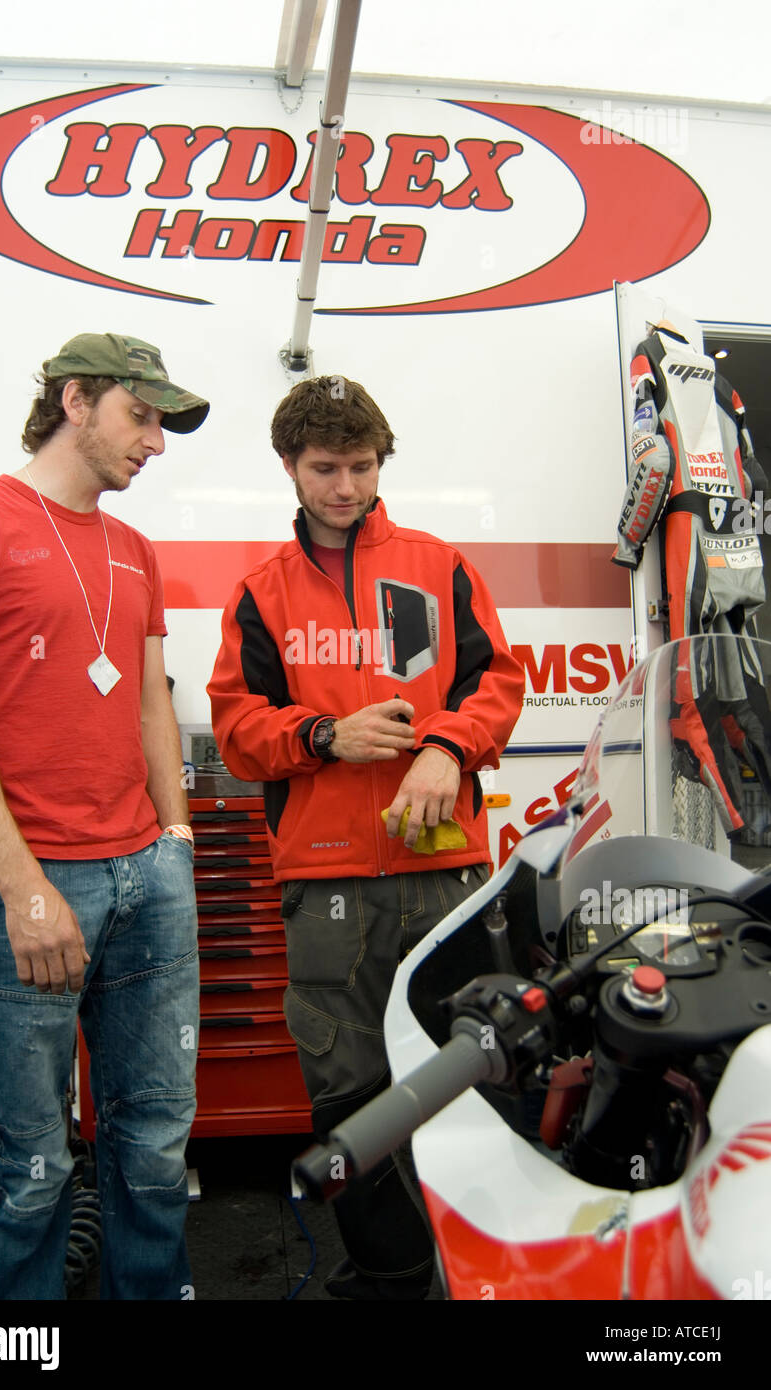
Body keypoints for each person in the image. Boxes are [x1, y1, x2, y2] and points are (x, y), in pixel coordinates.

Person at [208, 375, 524, 1299]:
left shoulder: (439, 563)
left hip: (446, 870)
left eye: (361, 465)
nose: (344, 486)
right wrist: (321, 736)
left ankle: (486, 1271)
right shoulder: (260, 593)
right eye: (324, 468)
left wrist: (444, 751)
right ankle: (385, 1276)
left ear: (381, 463)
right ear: (288, 469)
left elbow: (495, 686)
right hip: (325, 882)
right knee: (348, 1094)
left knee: (472, 1070)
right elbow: (235, 727)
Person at [0, 333, 209, 1300]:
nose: (155, 443)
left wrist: (175, 838)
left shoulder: (134, 548)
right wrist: (25, 887)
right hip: (22, 889)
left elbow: (152, 700)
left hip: (145, 876)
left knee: (157, 1145)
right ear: (76, 399)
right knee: (31, 1163)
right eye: (142, 415)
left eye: (163, 422)